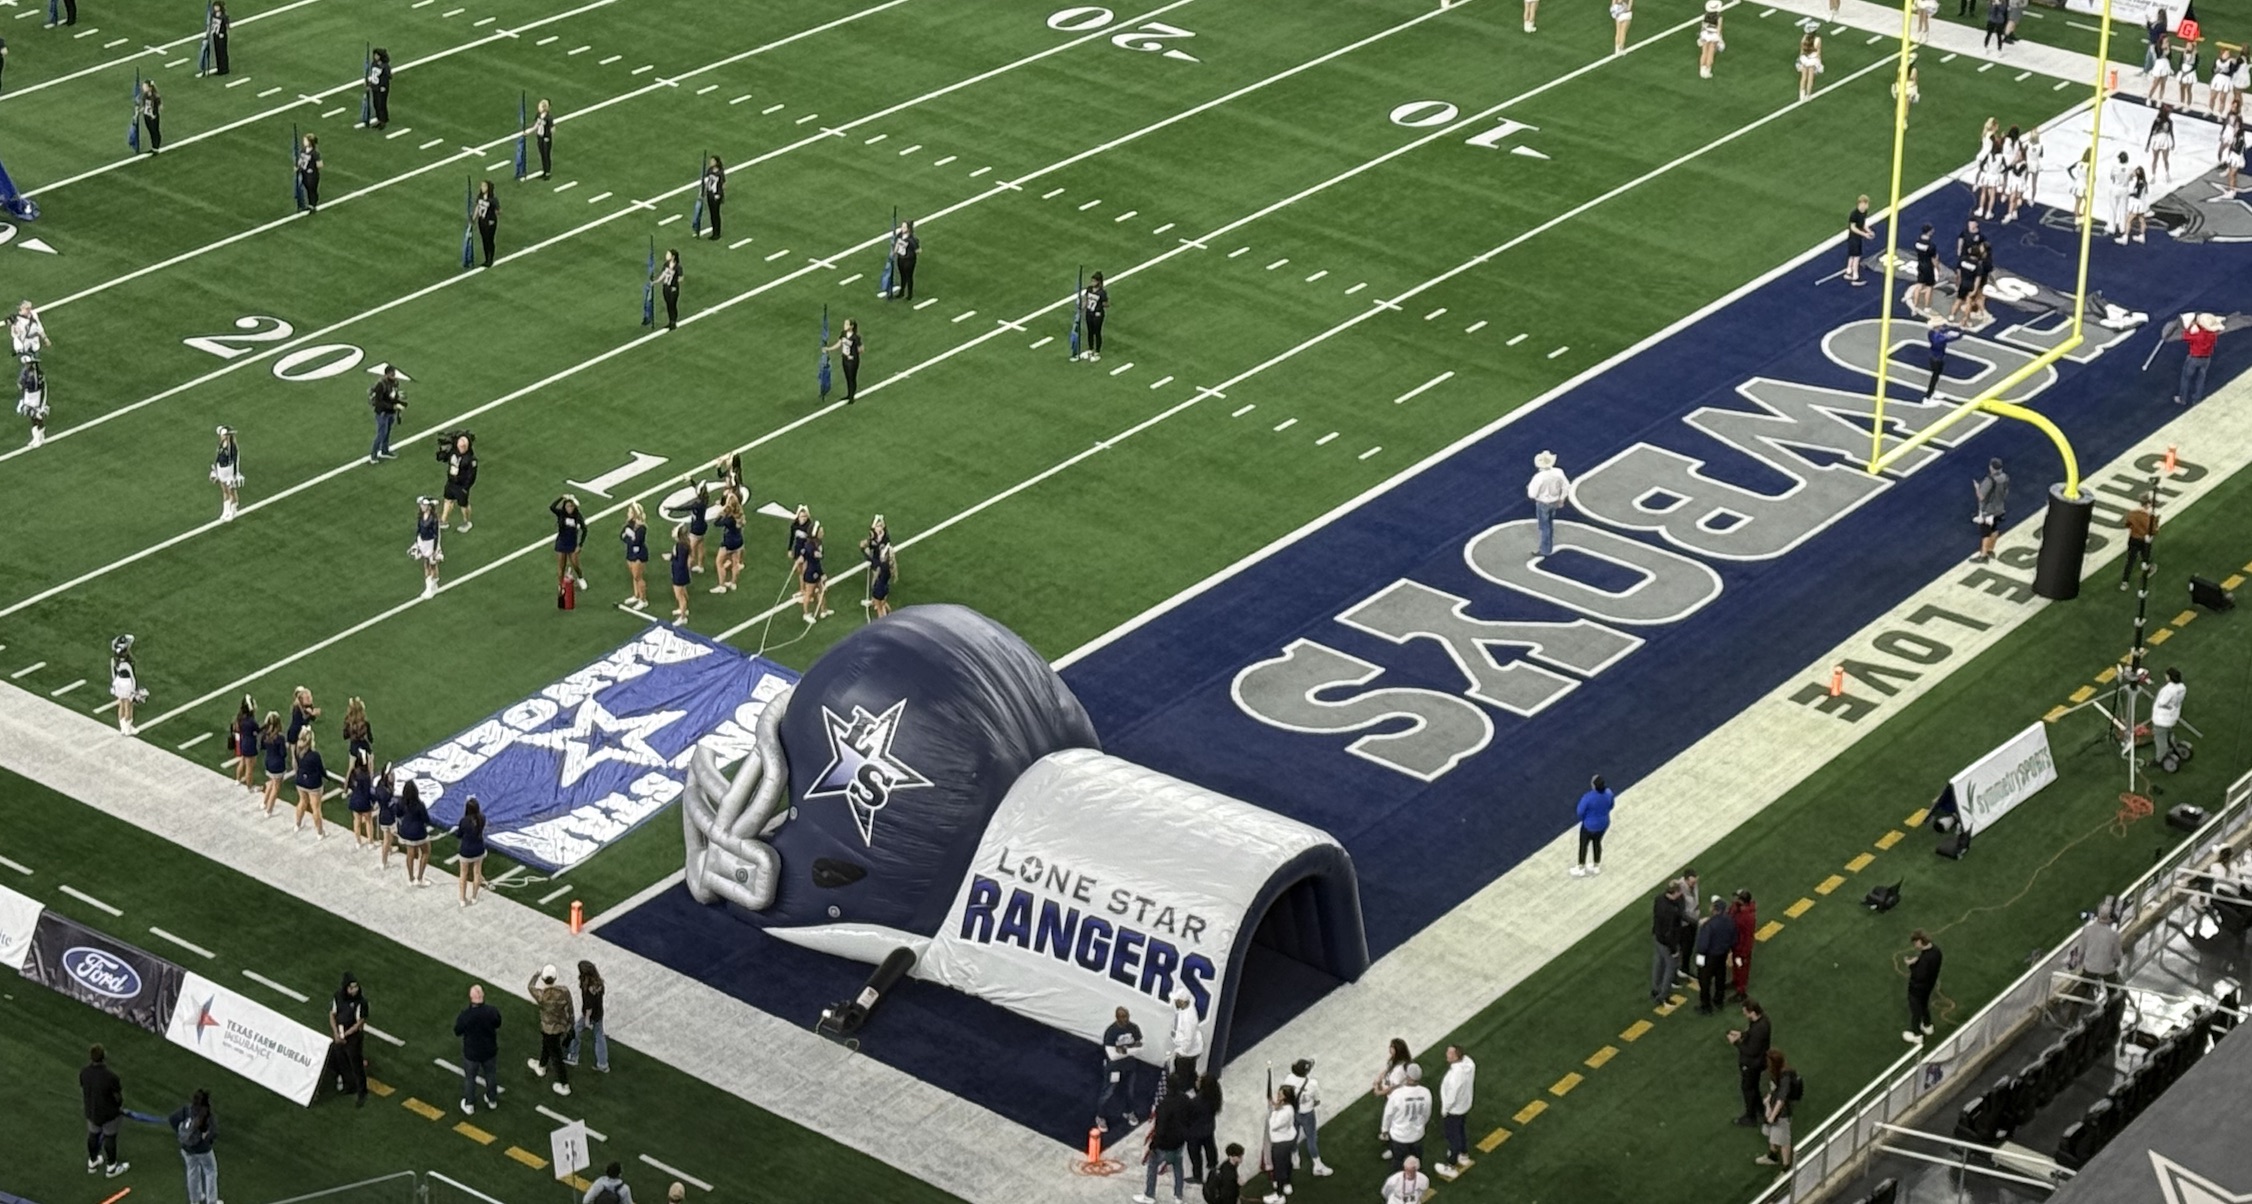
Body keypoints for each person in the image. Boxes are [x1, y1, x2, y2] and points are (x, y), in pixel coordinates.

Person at [1137, 1071, 1192, 1203]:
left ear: (1167, 1086)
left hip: (1164, 1144)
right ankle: (1178, 1196)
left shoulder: (1164, 1105)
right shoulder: (1185, 1099)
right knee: (1178, 1168)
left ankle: (1149, 1195)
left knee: (1152, 1167)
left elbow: (1160, 1128)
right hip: (1179, 1141)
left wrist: (1153, 1145)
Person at [454, 983, 502, 1114]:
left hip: (472, 1053)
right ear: (483, 996)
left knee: (470, 1078)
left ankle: (469, 1104)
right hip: (489, 1050)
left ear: (471, 997)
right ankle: (492, 1100)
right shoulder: (492, 1011)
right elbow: (498, 1023)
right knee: (491, 1075)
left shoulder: (466, 1015)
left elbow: (457, 1031)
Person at [528, 964, 575, 1096]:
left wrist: (536, 975)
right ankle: (541, 1066)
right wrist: (570, 1024)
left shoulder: (542, 995)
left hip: (548, 1028)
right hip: (561, 1026)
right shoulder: (564, 991)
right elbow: (570, 1009)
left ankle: (565, 1084)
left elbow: (530, 987)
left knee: (556, 1056)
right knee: (547, 1046)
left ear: (543, 979)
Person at [82, 1044, 128, 1177]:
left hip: (92, 1110)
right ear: (104, 1057)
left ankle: (93, 1162)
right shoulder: (111, 1077)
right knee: (109, 1137)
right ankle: (111, 1168)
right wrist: (118, 1106)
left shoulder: (84, 1073)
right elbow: (118, 1097)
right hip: (109, 1113)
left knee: (93, 1135)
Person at [1280, 1057, 1330, 1176]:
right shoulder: (1312, 1084)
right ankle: (1317, 1166)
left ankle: (1295, 1158)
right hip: (1307, 1114)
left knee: (1293, 1134)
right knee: (1311, 1138)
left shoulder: (1288, 1079)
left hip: (1293, 1112)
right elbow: (1317, 1101)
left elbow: (1284, 1095)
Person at [1095, 1005, 1143, 1130]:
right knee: (1108, 1092)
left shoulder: (1133, 1028)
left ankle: (1129, 1112)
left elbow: (1140, 1047)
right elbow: (1113, 1056)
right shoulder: (1111, 1031)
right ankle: (1100, 1116)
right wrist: (1130, 1050)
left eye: (1127, 1016)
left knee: (1130, 1091)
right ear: (1117, 1017)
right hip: (1114, 1068)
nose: (1125, 1019)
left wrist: (1124, 1050)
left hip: (1130, 1067)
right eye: (1122, 1017)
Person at [169, 1088, 217, 1204]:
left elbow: (172, 1119)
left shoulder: (187, 1110)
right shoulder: (206, 1114)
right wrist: (207, 1140)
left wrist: (180, 1133)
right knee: (210, 1171)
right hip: (203, 1150)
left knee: (192, 1171)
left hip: (186, 1148)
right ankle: (211, 1201)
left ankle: (195, 1200)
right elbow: (213, 1132)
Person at [1727, 1000, 1771, 1125]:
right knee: (1754, 1086)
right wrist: (1741, 1034)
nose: (1744, 1015)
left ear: (1752, 1012)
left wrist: (1735, 1042)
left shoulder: (1759, 1029)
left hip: (1752, 1063)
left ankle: (1750, 1117)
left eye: (1745, 1012)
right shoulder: (1763, 1020)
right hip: (1759, 1061)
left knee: (1747, 1088)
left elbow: (1751, 1051)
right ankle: (1759, 1108)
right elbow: (1752, 1034)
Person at [1379, 1063, 1431, 1168]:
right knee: (1416, 1163)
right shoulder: (1426, 1093)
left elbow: (1388, 1114)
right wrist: (1421, 1126)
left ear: (1407, 1076)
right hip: (1417, 1135)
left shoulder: (1397, 1094)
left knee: (1399, 1162)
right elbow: (1426, 1114)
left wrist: (1385, 1129)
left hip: (1400, 1136)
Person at [329, 972, 369, 1106]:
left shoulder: (361, 1002)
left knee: (356, 1064)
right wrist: (336, 1033)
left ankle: (362, 1092)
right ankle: (348, 1084)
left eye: (356, 987)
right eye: (352, 987)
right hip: (340, 1033)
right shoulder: (338, 997)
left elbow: (359, 1023)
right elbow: (332, 1014)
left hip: (353, 1037)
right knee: (338, 1059)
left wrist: (344, 1035)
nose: (355, 990)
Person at [1434, 1046, 1474, 1179]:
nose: (1446, 1054)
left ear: (1456, 1056)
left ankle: (1450, 1165)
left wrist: (1445, 1109)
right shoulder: (1469, 1065)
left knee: (1453, 1137)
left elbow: (1452, 1094)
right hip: (1464, 1105)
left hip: (1454, 1109)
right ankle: (1464, 1155)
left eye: (1450, 1053)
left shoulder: (1456, 1074)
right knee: (1461, 1130)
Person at [564, 960, 608, 1073]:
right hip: (599, 1013)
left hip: (590, 1015)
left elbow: (588, 1007)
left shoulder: (588, 987)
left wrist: (587, 1020)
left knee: (576, 1031)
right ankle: (603, 1064)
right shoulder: (599, 983)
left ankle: (573, 1056)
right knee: (599, 1036)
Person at [1757, 1050, 1798, 1166]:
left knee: (1784, 1140)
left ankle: (1786, 1166)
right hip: (1772, 1106)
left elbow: (1781, 1099)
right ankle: (1772, 1156)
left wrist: (1772, 1116)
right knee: (1771, 1134)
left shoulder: (1786, 1077)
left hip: (1782, 1113)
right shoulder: (1775, 1073)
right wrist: (1768, 1100)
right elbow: (1774, 1089)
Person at [1526, 450, 1569, 560]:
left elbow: (1532, 494)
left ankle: (1545, 549)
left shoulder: (1538, 477)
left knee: (1544, 527)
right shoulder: (1558, 472)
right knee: (1549, 524)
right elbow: (1566, 486)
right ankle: (1548, 546)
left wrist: (1532, 491)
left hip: (1543, 503)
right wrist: (1561, 499)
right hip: (1555, 502)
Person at [1696, 896, 1736, 1013]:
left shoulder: (1709, 925)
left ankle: (1706, 1006)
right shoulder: (1730, 921)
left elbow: (1703, 946)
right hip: (1722, 954)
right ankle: (1719, 1000)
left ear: (1714, 910)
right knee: (1720, 976)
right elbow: (1733, 939)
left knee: (1704, 980)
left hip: (1709, 956)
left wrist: (1699, 959)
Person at [2175, 312, 2223, 406]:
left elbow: (2185, 336)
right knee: (2200, 379)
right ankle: (2197, 399)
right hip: (2206, 359)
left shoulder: (2198, 335)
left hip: (2194, 358)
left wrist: (2189, 329)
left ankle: (2182, 398)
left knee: (2186, 378)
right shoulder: (2213, 334)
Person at [1650, 881, 1685, 1003]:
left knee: (1658, 962)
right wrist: (1674, 949)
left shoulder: (1659, 899)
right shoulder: (1671, 910)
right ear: (1675, 892)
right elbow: (1669, 932)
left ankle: (1655, 989)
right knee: (1670, 967)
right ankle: (1663, 995)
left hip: (1657, 936)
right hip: (1666, 942)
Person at [1572, 774, 1614, 877]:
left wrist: (1586, 819)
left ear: (1594, 786)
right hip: (1603, 825)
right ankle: (1596, 866)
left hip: (1588, 826)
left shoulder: (1588, 798)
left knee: (1583, 845)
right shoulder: (1609, 793)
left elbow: (1580, 811)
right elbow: (1611, 805)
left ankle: (1581, 868)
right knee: (1597, 843)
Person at [1904, 930, 1942, 1041]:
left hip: (1917, 989)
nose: (1915, 946)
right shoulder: (1936, 951)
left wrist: (1911, 965)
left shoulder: (1925, 959)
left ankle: (1916, 1035)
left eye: (1915, 943)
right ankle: (1927, 1025)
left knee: (1916, 1010)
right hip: (1929, 986)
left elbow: (1918, 975)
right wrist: (1918, 961)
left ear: (1920, 941)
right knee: (1924, 1004)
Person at [1262, 1086, 1298, 1204]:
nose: (1277, 1096)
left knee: (1279, 1168)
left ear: (1286, 1097)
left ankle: (1279, 1195)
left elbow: (1273, 1125)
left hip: (1280, 1142)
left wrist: (1275, 1111)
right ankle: (1287, 1184)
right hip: (1288, 1139)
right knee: (1287, 1162)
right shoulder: (1290, 1107)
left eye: (1280, 1094)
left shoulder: (1284, 1112)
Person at [1185, 1072, 1221, 1183]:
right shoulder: (1214, 1095)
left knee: (1195, 1153)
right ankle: (1213, 1164)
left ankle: (1197, 1175)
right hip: (1209, 1127)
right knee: (1210, 1146)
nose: (1197, 1081)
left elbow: (1188, 1116)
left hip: (1196, 1132)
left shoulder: (1195, 1102)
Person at [395, 780, 433, 885]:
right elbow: (426, 819)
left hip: (406, 831)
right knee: (426, 851)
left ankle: (411, 879)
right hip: (418, 832)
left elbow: (398, 813)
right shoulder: (420, 805)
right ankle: (420, 878)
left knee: (410, 854)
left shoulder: (401, 802)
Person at [1971, 457, 2008, 563]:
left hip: (1988, 511)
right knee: (1995, 529)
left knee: (1985, 532)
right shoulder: (2005, 477)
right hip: (1999, 508)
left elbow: (1981, 497)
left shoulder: (1989, 480)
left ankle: (1983, 556)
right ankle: (1990, 550)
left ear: (1991, 467)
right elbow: (2005, 492)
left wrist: (1977, 488)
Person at [292, 730, 327, 838]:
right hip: (313, 784)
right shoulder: (314, 755)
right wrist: (326, 777)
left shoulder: (297, 750)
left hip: (300, 781)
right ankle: (320, 833)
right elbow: (321, 769)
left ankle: (297, 825)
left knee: (302, 801)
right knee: (316, 808)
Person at [861, 515, 897, 617]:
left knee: (880, 608)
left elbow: (871, 558)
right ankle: (890, 615)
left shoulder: (885, 538)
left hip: (879, 584)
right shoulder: (888, 565)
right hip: (883, 584)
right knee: (883, 603)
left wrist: (863, 550)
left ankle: (884, 619)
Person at [552, 495, 589, 592]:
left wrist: (580, 545)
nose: (570, 508)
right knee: (561, 566)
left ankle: (580, 578)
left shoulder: (577, 516)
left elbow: (584, 530)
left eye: (571, 506)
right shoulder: (561, 513)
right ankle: (561, 585)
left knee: (575, 564)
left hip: (572, 543)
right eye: (568, 506)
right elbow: (552, 507)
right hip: (561, 542)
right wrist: (561, 497)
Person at [110, 634, 145, 736]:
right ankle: (128, 728)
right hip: (127, 683)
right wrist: (135, 690)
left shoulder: (114, 659)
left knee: (121, 704)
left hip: (118, 682)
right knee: (129, 706)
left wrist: (114, 685)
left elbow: (113, 673)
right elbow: (133, 676)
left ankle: (122, 728)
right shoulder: (128, 662)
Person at [440, 433, 477, 532]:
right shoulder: (454, 452)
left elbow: (471, 476)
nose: (461, 448)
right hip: (451, 481)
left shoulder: (470, 459)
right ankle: (443, 520)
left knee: (463, 505)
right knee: (448, 499)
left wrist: (466, 488)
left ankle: (467, 522)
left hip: (461, 485)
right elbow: (443, 458)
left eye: (463, 446)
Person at [368, 364, 404, 463]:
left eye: (394, 374)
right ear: (387, 374)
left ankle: (385, 450)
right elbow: (379, 402)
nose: (394, 376)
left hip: (390, 413)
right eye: (392, 374)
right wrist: (393, 406)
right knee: (381, 434)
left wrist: (398, 402)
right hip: (382, 413)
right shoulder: (381, 385)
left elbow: (393, 396)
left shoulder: (395, 382)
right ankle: (373, 455)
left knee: (387, 432)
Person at [455, 797, 488, 907]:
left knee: (463, 874)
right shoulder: (482, 818)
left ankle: (462, 899)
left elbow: (459, 835)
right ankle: (474, 897)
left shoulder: (464, 821)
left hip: (466, 851)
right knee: (477, 873)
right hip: (479, 849)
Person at [709, 491, 743, 594]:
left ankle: (722, 586)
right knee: (735, 563)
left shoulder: (729, 519)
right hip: (739, 541)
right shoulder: (739, 514)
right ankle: (733, 583)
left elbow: (716, 523)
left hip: (729, 542)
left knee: (719, 562)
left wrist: (721, 512)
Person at [797, 520, 831, 625]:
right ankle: (806, 614)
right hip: (811, 573)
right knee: (809, 593)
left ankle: (824, 610)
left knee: (821, 590)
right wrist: (821, 573)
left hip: (816, 569)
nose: (823, 532)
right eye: (821, 531)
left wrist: (821, 573)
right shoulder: (811, 546)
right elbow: (814, 558)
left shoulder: (817, 543)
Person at [2121, 495, 2158, 589]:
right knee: (2145, 556)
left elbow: (2127, 524)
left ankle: (2125, 582)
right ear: (2148, 504)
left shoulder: (2132, 513)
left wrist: (2135, 528)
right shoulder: (2149, 517)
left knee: (2130, 561)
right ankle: (2146, 569)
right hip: (2144, 540)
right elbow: (2154, 531)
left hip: (2133, 538)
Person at [2152, 667, 2187, 764]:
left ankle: (2159, 759)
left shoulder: (2168, 690)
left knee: (2160, 740)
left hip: (2162, 719)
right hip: (2173, 716)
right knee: (2169, 733)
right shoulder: (2182, 687)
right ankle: (2174, 747)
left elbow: (2162, 702)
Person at [824, 317, 864, 403]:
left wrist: (853, 355)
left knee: (852, 378)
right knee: (847, 377)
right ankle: (849, 394)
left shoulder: (856, 337)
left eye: (846, 324)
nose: (844, 326)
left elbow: (861, 349)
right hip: (845, 359)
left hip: (852, 361)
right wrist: (828, 349)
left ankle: (851, 397)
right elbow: (839, 344)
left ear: (851, 326)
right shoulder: (843, 334)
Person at [411, 496, 444, 599]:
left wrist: (435, 549)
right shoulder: (421, 516)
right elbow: (419, 530)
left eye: (424, 505)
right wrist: (416, 543)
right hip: (423, 543)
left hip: (431, 543)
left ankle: (432, 586)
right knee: (426, 564)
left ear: (429, 507)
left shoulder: (434, 519)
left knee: (432, 564)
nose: (422, 506)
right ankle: (429, 587)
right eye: (421, 505)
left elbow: (436, 535)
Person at [1729, 889, 1758, 1002]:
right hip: (1736, 945)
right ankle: (1736, 981)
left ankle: (1741, 991)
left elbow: (1747, 936)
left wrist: (1743, 951)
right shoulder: (1738, 908)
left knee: (1741, 968)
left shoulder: (1748, 916)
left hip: (1742, 948)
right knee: (1736, 965)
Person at [1168, 988, 1203, 1080]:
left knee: (1182, 1077)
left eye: (1177, 1000)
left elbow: (1188, 1039)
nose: (1175, 1002)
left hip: (1187, 1054)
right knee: (1189, 1074)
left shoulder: (1188, 1019)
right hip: (1187, 1051)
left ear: (1182, 1002)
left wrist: (1182, 1052)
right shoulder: (1185, 1009)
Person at [257, 710, 288, 816]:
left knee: (271, 782)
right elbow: (283, 754)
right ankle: (269, 810)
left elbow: (262, 747)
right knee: (276, 787)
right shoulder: (280, 738)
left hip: (268, 761)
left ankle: (264, 803)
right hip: (278, 764)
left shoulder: (266, 735)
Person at [620, 502, 650, 609]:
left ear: (634, 514)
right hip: (630, 552)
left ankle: (643, 600)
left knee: (638, 577)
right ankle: (636, 595)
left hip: (639, 554)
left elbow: (637, 542)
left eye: (629, 512)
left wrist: (630, 537)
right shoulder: (629, 524)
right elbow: (622, 536)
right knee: (634, 576)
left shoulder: (642, 528)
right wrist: (629, 538)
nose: (628, 514)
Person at [210, 426, 243, 521]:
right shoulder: (221, 444)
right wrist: (215, 471)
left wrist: (235, 474)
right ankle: (226, 511)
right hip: (221, 470)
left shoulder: (232, 447)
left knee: (231, 491)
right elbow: (217, 458)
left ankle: (233, 510)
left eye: (223, 435)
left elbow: (236, 461)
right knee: (224, 491)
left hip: (229, 471)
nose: (221, 436)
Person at [344, 750, 376, 847]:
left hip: (355, 800)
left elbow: (350, 785)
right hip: (364, 801)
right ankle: (370, 843)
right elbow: (368, 790)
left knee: (356, 821)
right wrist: (373, 801)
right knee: (368, 821)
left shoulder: (353, 772)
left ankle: (358, 842)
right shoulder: (366, 776)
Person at [1077, 271, 1109, 362]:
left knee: (1097, 332)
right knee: (1090, 332)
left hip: (1097, 314)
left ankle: (1097, 352)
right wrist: (1082, 307)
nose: (1092, 282)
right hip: (1089, 313)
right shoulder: (1089, 289)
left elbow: (1106, 304)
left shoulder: (1102, 292)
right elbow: (1086, 299)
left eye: (1094, 281)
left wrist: (1099, 305)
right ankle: (1090, 350)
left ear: (1098, 282)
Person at [372, 762, 399, 870]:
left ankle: (390, 849)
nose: (393, 776)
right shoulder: (385, 791)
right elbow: (387, 801)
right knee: (387, 839)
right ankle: (384, 861)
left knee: (388, 836)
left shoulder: (381, 784)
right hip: (387, 817)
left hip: (385, 814)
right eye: (391, 774)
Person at [15, 357, 45, 449]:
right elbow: (21, 382)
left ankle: (40, 436)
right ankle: (36, 437)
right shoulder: (25, 371)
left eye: (28, 363)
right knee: (31, 416)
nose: (26, 365)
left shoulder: (37, 373)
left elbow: (38, 386)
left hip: (36, 395)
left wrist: (41, 404)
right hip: (28, 395)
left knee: (37, 416)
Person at [885, 220, 920, 299]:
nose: (902, 228)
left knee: (909, 277)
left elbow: (918, 250)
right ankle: (902, 292)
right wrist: (894, 252)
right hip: (901, 259)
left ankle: (909, 294)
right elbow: (897, 243)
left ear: (908, 229)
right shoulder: (900, 235)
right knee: (902, 276)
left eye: (904, 227)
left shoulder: (911, 240)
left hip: (909, 261)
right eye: (902, 226)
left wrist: (910, 252)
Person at [232, 696, 260, 791]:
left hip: (244, 742)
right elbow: (257, 730)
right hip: (250, 744)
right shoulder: (251, 721)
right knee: (249, 767)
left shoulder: (241, 718)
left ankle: (238, 779)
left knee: (243, 761)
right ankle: (250, 786)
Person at [1842, 194, 1871, 285]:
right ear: (1862, 203)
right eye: (1866, 204)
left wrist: (1869, 231)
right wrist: (1864, 234)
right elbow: (1853, 228)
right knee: (1856, 256)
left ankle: (1849, 270)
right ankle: (1855, 275)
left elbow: (1863, 224)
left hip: (1858, 237)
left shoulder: (1864, 212)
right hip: (1853, 237)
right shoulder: (1854, 214)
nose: (1867, 206)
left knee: (1852, 255)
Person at [668, 523, 692, 623]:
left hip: (679, 573)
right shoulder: (683, 544)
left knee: (680, 595)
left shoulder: (681, 546)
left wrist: (671, 559)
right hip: (682, 572)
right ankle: (683, 609)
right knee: (683, 592)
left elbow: (681, 562)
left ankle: (683, 617)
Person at [473, 180, 499, 268]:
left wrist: (493, 215)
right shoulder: (480, 197)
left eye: (484, 186)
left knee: (489, 240)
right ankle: (486, 258)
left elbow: (498, 211)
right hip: (482, 221)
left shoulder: (493, 199)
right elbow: (477, 207)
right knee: (484, 240)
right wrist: (474, 218)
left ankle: (490, 259)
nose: (482, 188)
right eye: (482, 186)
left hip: (490, 222)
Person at [699, 156, 726, 241]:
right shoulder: (710, 170)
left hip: (716, 196)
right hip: (710, 194)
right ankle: (714, 232)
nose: (710, 162)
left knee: (716, 214)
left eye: (712, 161)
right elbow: (707, 181)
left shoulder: (720, 173)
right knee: (712, 214)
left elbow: (723, 185)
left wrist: (719, 195)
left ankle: (717, 233)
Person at [365, 48, 391, 130]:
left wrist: (383, 87)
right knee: (376, 104)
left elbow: (387, 77)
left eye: (376, 55)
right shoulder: (374, 63)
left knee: (381, 105)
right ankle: (379, 119)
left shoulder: (385, 66)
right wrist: (369, 84)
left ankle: (383, 121)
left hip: (382, 88)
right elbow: (373, 76)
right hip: (375, 87)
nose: (375, 56)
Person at [1698, 0, 1725, 79]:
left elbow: (1703, 26)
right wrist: (1719, 38)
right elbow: (1719, 28)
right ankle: (1707, 70)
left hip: (1705, 34)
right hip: (1713, 35)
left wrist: (1701, 36)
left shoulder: (1705, 15)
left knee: (1704, 52)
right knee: (1710, 53)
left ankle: (1702, 70)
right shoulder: (1719, 17)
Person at [297, 133, 323, 213]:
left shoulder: (315, 153)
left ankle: (313, 205)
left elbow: (320, 165)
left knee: (312, 189)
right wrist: (298, 166)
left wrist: (312, 168)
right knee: (307, 188)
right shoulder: (303, 150)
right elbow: (300, 160)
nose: (304, 142)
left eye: (305, 140)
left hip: (312, 175)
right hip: (304, 173)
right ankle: (310, 204)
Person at [657, 248, 682, 330]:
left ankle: (673, 322)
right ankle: (670, 321)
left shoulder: (678, 267)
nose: (666, 256)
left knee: (672, 305)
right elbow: (663, 274)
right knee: (668, 305)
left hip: (673, 288)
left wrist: (675, 283)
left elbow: (681, 278)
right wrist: (656, 281)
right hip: (666, 287)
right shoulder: (666, 264)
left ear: (673, 256)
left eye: (668, 254)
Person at [530, 97, 555, 179]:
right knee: (542, 154)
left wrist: (548, 136)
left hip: (546, 138)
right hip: (540, 137)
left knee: (546, 155)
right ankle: (544, 170)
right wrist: (528, 132)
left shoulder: (548, 118)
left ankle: (548, 172)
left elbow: (552, 129)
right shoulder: (538, 115)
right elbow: (536, 125)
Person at [1797, 32, 1824, 105]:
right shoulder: (1818, 39)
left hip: (1804, 59)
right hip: (1813, 60)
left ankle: (1801, 95)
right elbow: (1818, 53)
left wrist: (1799, 60)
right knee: (1810, 78)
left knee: (1803, 77)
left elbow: (1802, 51)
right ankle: (1808, 95)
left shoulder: (1804, 38)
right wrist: (1819, 63)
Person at [204, 2, 230, 76]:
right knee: (217, 52)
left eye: (217, 6)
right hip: (215, 35)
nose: (215, 8)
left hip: (222, 36)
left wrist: (223, 31)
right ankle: (219, 68)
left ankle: (224, 69)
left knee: (223, 52)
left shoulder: (224, 16)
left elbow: (227, 26)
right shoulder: (213, 15)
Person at [139, 81, 163, 153]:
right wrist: (139, 111)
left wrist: (154, 113)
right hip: (147, 116)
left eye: (145, 87)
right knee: (151, 131)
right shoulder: (145, 95)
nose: (143, 88)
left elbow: (160, 106)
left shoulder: (155, 96)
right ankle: (153, 146)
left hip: (153, 116)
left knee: (155, 131)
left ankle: (156, 147)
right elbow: (145, 106)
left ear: (149, 88)